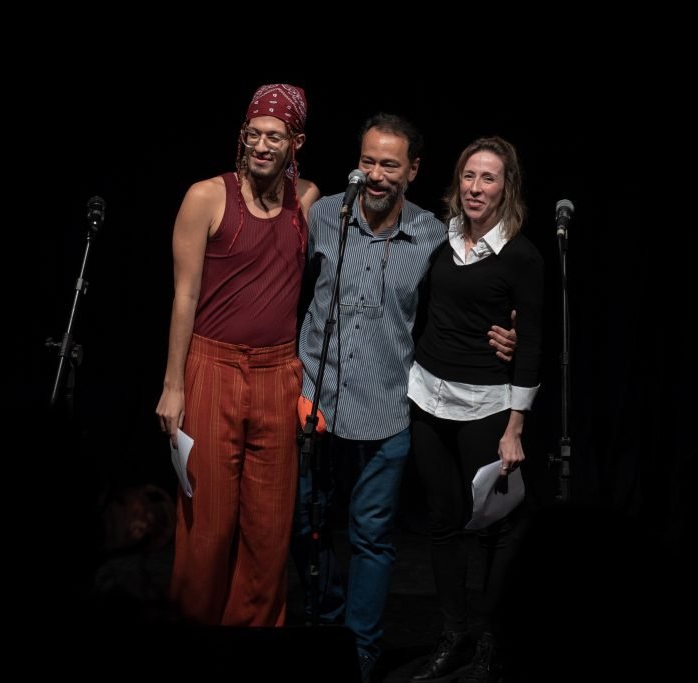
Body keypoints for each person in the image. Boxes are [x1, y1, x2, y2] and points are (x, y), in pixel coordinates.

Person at [292, 115, 517, 681]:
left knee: (371, 538)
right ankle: (327, 622)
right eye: (368, 161)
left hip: (388, 409)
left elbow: (471, 295)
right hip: (313, 404)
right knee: (305, 529)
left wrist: (505, 330)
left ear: (412, 171)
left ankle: (361, 651)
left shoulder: (433, 237)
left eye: (389, 164)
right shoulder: (325, 216)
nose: (375, 174)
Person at [155, 83, 319, 627]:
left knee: (269, 530)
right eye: (255, 134)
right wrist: (173, 386)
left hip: (278, 374)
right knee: (206, 525)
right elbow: (184, 295)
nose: (263, 145)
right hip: (212, 367)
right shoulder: (207, 196)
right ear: (242, 136)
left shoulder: (308, 201)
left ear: (296, 141)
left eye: (276, 136)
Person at [407, 136, 543, 683]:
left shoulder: (522, 255)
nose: (476, 187)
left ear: (506, 186)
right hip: (427, 396)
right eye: (468, 176)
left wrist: (515, 427)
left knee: (489, 528)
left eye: (488, 178)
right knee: (441, 522)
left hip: (486, 406)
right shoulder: (441, 239)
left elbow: (529, 344)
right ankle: (452, 632)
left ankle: (489, 636)